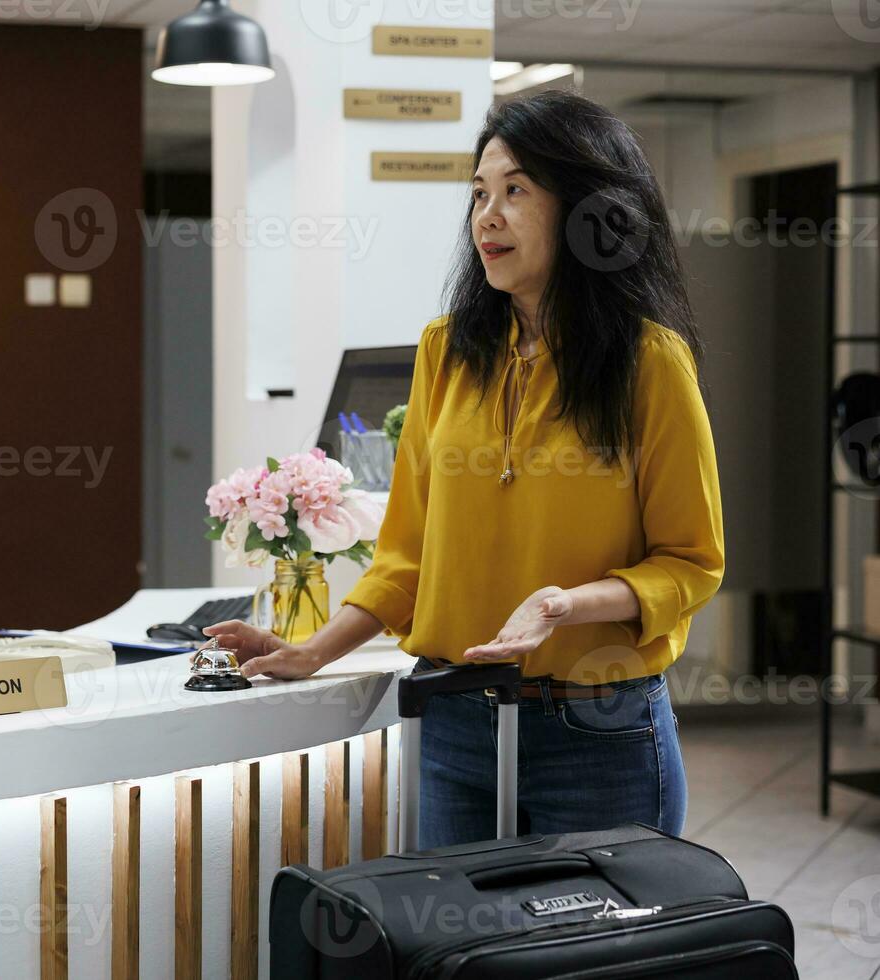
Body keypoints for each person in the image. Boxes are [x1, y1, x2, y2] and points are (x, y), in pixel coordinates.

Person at [208, 91, 723, 850]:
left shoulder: (649, 362)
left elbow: (690, 563)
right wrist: (314, 650)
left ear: (587, 210)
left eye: (516, 190)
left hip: (597, 727)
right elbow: (407, 554)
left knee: (585, 961)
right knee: (457, 956)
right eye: (479, 193)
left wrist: (563, 605)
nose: (487, 216)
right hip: (453, 721)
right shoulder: (445, 351)